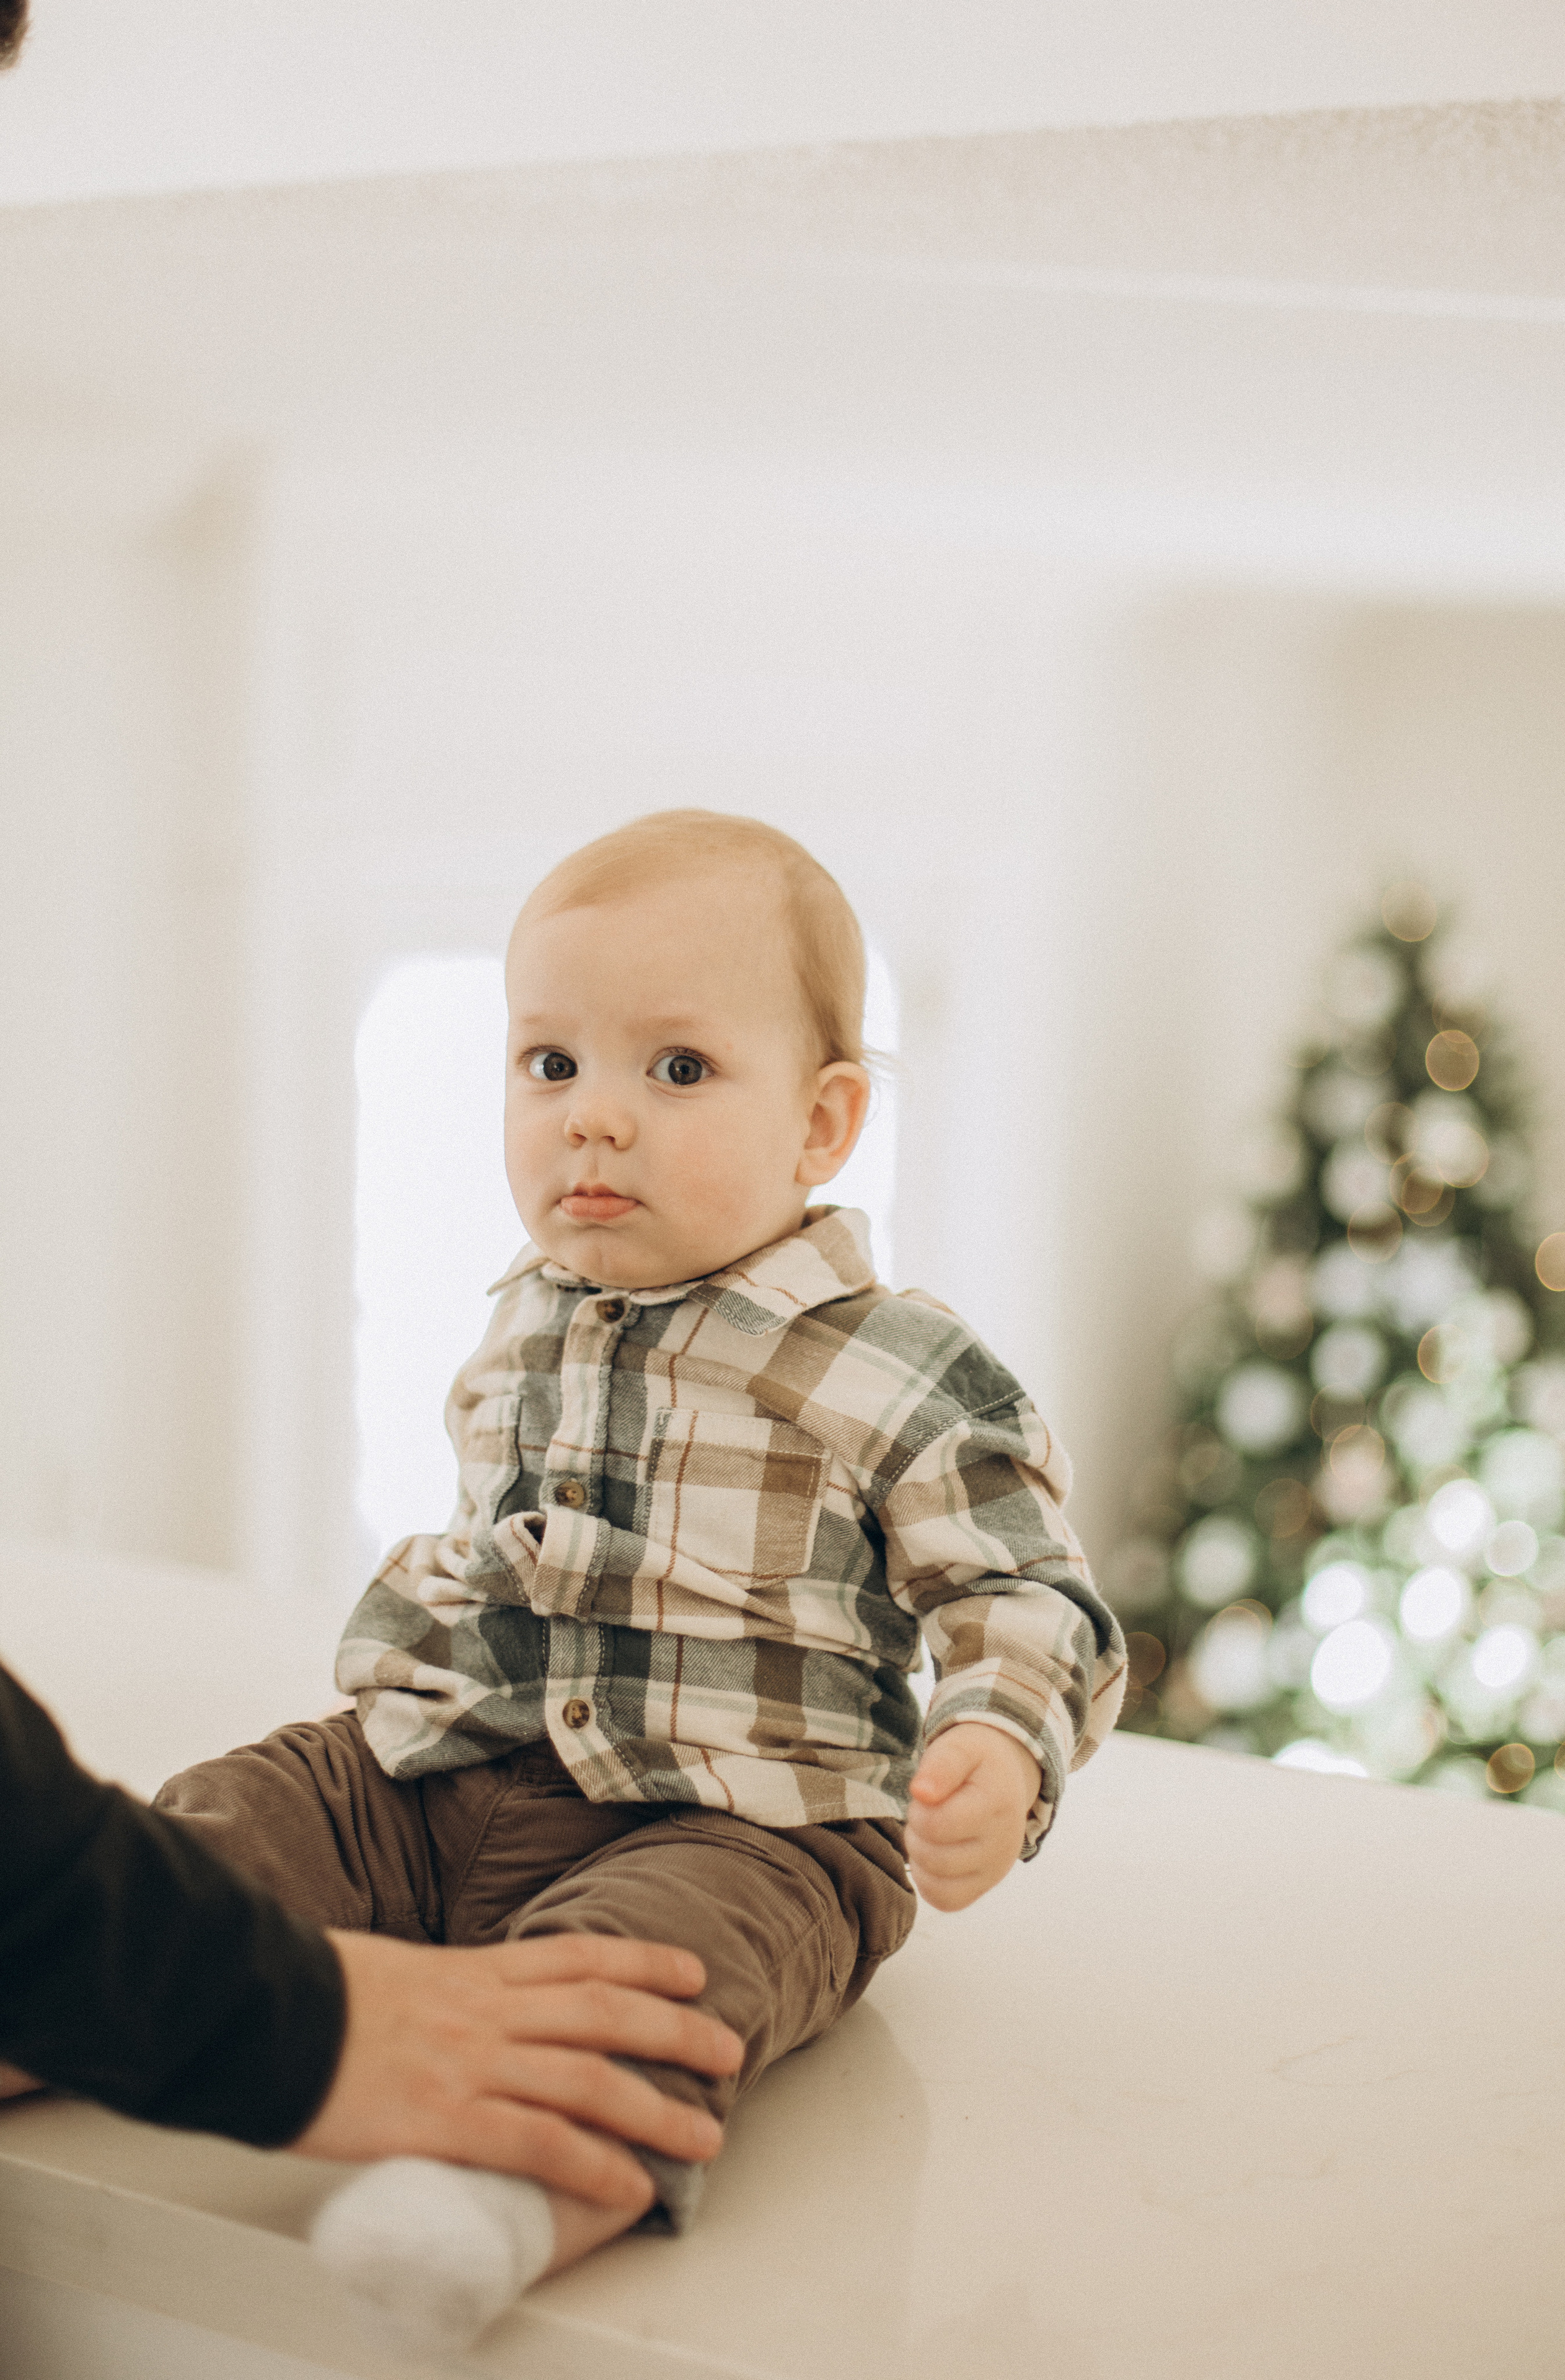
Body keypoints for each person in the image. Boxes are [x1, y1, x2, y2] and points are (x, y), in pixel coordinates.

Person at [154, 809, 1125, 2352]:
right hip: (460, 1763)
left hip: (748, 1822)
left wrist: (996, 1742)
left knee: (644, 1979)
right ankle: (52, 1989)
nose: (591, 1119)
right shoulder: (528, 1314)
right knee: (240, 1815)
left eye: (675, 1069)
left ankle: (504, 2188)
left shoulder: (889, 1362)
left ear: (821, 1125)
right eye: (550, 1064)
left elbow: (1026, 1592)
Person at [0, 1660, 740, 2202]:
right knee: (233, 1821)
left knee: (645, 1974)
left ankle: (496, 2218)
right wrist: (294, 2014)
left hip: (723, 1803)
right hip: (437, 1755)